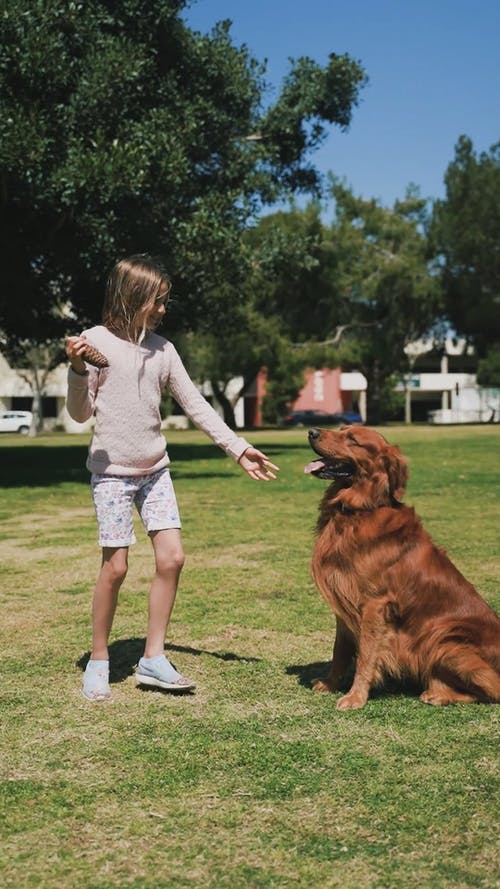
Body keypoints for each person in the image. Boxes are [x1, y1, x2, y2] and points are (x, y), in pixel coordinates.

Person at [65, 254, 279, 702]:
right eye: (157, 301)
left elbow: (197, 405)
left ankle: (153, 658)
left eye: (165, 302)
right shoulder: (94, 342)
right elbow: (79, 413)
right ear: (133, 297)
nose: (163, 309)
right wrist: (78, 369)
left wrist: (237, 448)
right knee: (117, 565)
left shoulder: (163, 350)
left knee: (172, 558)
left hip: (155, 472)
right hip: (112, 476)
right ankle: (99, 658)